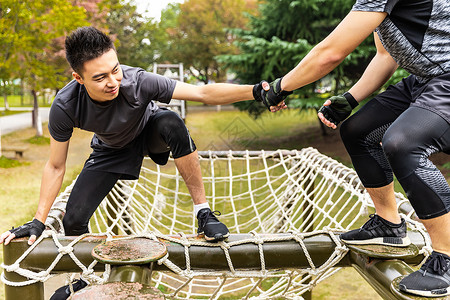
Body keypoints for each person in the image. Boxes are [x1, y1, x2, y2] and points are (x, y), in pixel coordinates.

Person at [0, 26, 288, 299]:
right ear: (79, 78)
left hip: (150, 134)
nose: (113, 82)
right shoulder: (65, 106)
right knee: (72, 221)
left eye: (115, 70)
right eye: (100, 78)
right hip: (110, 150)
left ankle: (203, 213)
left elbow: (201, 93)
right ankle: (86, 277)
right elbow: (55, 165)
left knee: (171, 121)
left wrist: (256, 92)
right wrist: (39, 220)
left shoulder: (137, 81)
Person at [261, 0, 450, 297]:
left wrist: (280, 87)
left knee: (403, 144)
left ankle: (446, 258)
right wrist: (350, 99)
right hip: (426, 79)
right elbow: (386, 54)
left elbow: (330, 53)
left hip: (446, 79)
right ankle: (389, 226)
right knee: (358, 130)